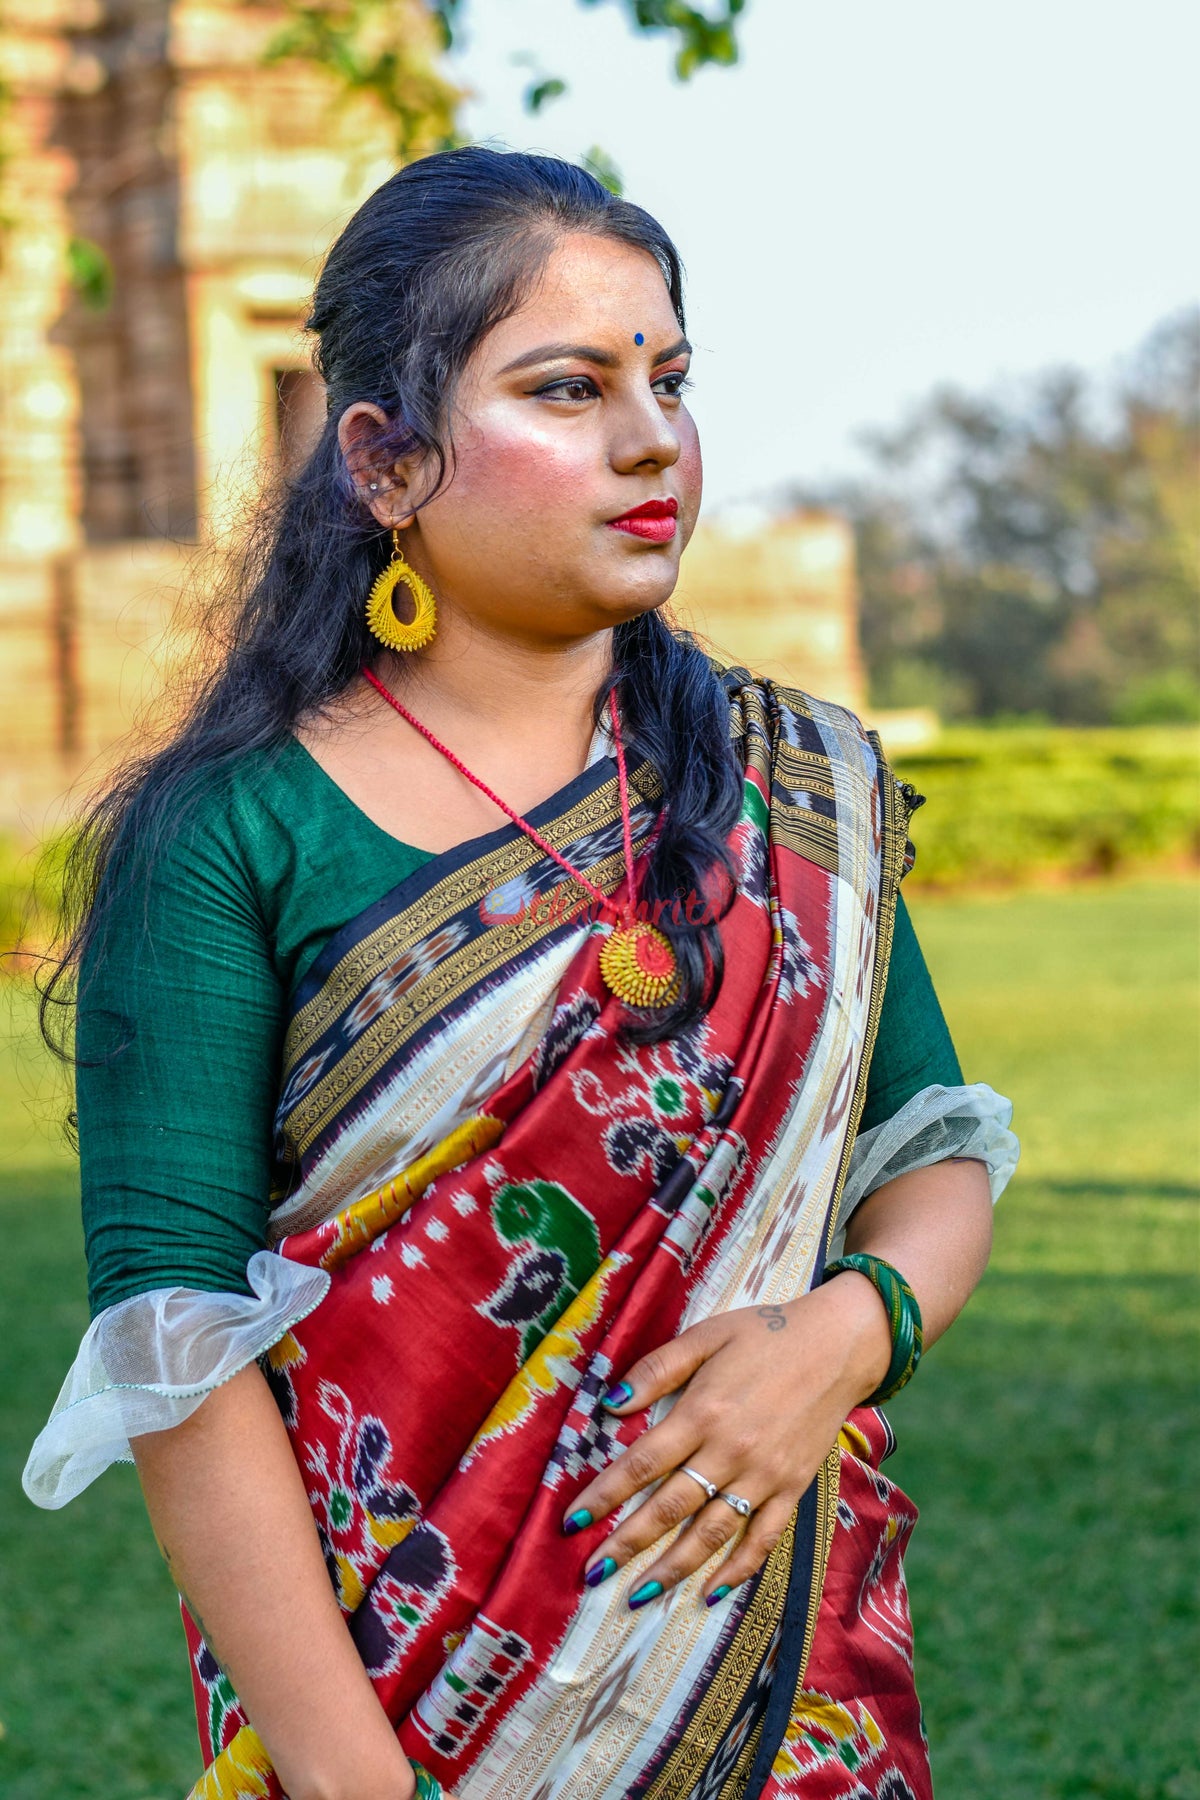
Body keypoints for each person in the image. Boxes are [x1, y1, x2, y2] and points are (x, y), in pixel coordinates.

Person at [24, 147, 1018, 1800]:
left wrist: (847, 1334)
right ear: (385, 461)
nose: (651, 440)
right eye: (568, 388)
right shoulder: (228, 839)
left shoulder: (799, 786)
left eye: (671, 382)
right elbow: (174, 1354)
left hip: (773, 1682)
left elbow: (937, 1155)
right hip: (379, 1707)